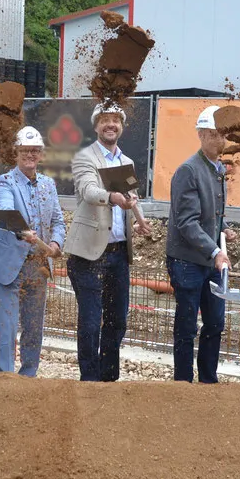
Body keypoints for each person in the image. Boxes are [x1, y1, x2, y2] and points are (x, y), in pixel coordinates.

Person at [63, 101, 149, 382]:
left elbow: (131, 197)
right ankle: (89, 381)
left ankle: (109, 379)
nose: (111, 124)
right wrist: (112, 197)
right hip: (89, 254)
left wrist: (140, 219)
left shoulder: (126, 162)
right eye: (105, 120)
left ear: (121, 127)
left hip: (118, 255)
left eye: (116, 120)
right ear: (96, 125)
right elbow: (89, 191)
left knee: (117, 320)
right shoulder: (84, 157)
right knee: (90, 321)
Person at [165, 105, 236, 383]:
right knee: (186, 326)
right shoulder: (188, 171)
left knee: (215, 322)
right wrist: (215, 250)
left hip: (209, 259)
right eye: (216, 135)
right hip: (187, 262)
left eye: (224, 135)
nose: (222, 140)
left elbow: (211, 213)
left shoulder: (218, 169)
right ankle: (183, 383)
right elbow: (186, 222)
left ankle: (208, 379)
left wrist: (224, 228)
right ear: (203, 134)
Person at [0, 126, 66, 376]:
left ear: (41, 154)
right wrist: (22, 230)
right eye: (25, 150)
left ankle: (29, 375)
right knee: (7, 326)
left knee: (34, 326)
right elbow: (6, 210)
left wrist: (55, 243)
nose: (30, 155)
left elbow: (57, 221)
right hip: (10, 263)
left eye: (35, 151)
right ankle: (6, 376)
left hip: (38, 264)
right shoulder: (5, 181)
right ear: (17, 152)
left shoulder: (48, 185)